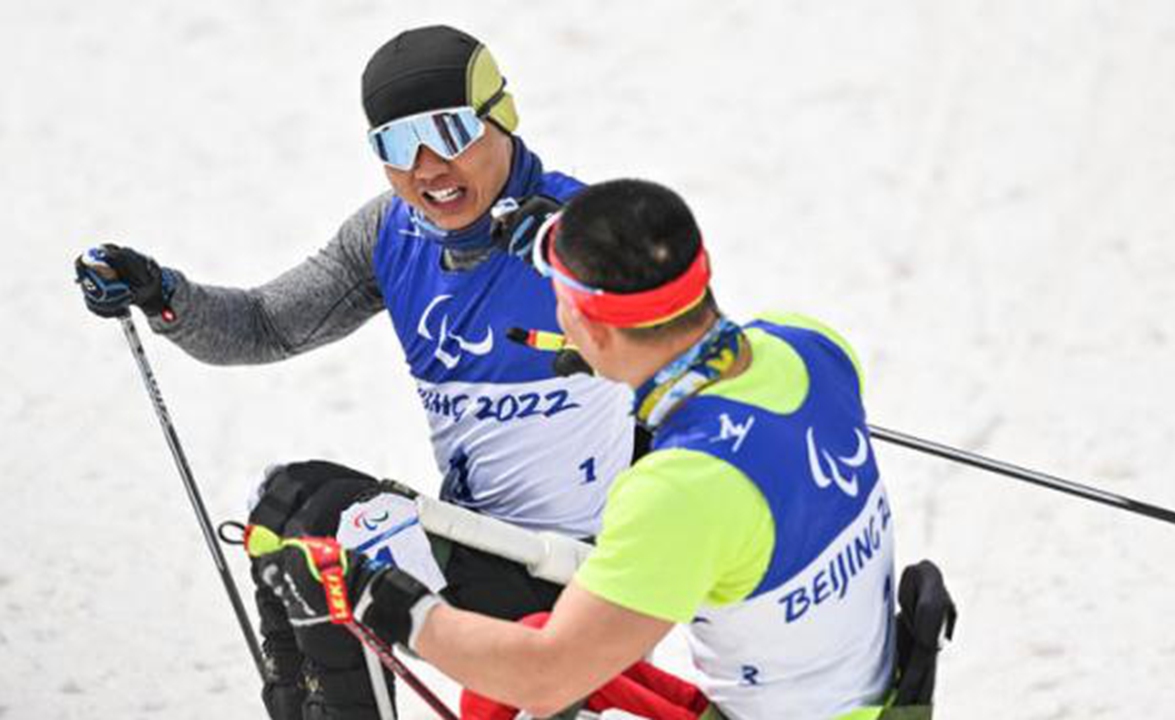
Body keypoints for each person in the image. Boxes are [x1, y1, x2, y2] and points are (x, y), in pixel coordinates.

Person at [75, 25, 641, 720]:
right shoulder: (391, 233)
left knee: (329, 537)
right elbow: (267, 324)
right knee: (284, 504)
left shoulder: (587, 230)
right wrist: (164, 295)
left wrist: (591, 267)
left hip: (578, 576)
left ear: (502, 116)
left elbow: (700, 353)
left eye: (450, 132)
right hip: (481, 547)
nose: (427, 168)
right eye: (397, 145)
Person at [254, 178, 902, 719]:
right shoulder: (807, 346)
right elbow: (678, 323)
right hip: (874, 697)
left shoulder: (679, 490)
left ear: (592, 329)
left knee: (509, 684)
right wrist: (555, 248)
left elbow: (544, 678)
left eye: (557, 301)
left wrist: (381, 598)